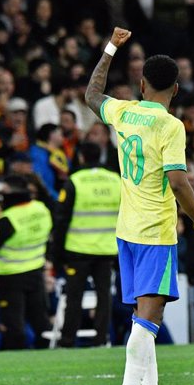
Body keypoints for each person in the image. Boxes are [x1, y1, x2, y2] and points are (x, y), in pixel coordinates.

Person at [85, 27, 194, 385]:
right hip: (156, 233)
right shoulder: (170, 126)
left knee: (146, 316)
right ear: (176, 89)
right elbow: (178, 181)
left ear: (141, 84)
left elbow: (92, 94)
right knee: (149, 318)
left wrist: (110, 48)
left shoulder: (125, 111)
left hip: (127, 230)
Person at [52, 141, 121, 348]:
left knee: (74, 298)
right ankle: (101, 338)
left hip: (78, 249)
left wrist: (57, 255)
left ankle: (67, 340)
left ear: (81, 157)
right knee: (104, 297)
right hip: (107, 249)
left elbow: (61, 219)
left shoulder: (75, 181)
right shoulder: (116, 180)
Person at [0, 176, 53, 350]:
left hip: (11, 274)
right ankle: (45, 351)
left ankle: (16, 353)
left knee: (14, 321)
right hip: (36, 269)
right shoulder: (41, 208)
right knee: (40, 316)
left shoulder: (8, 218)